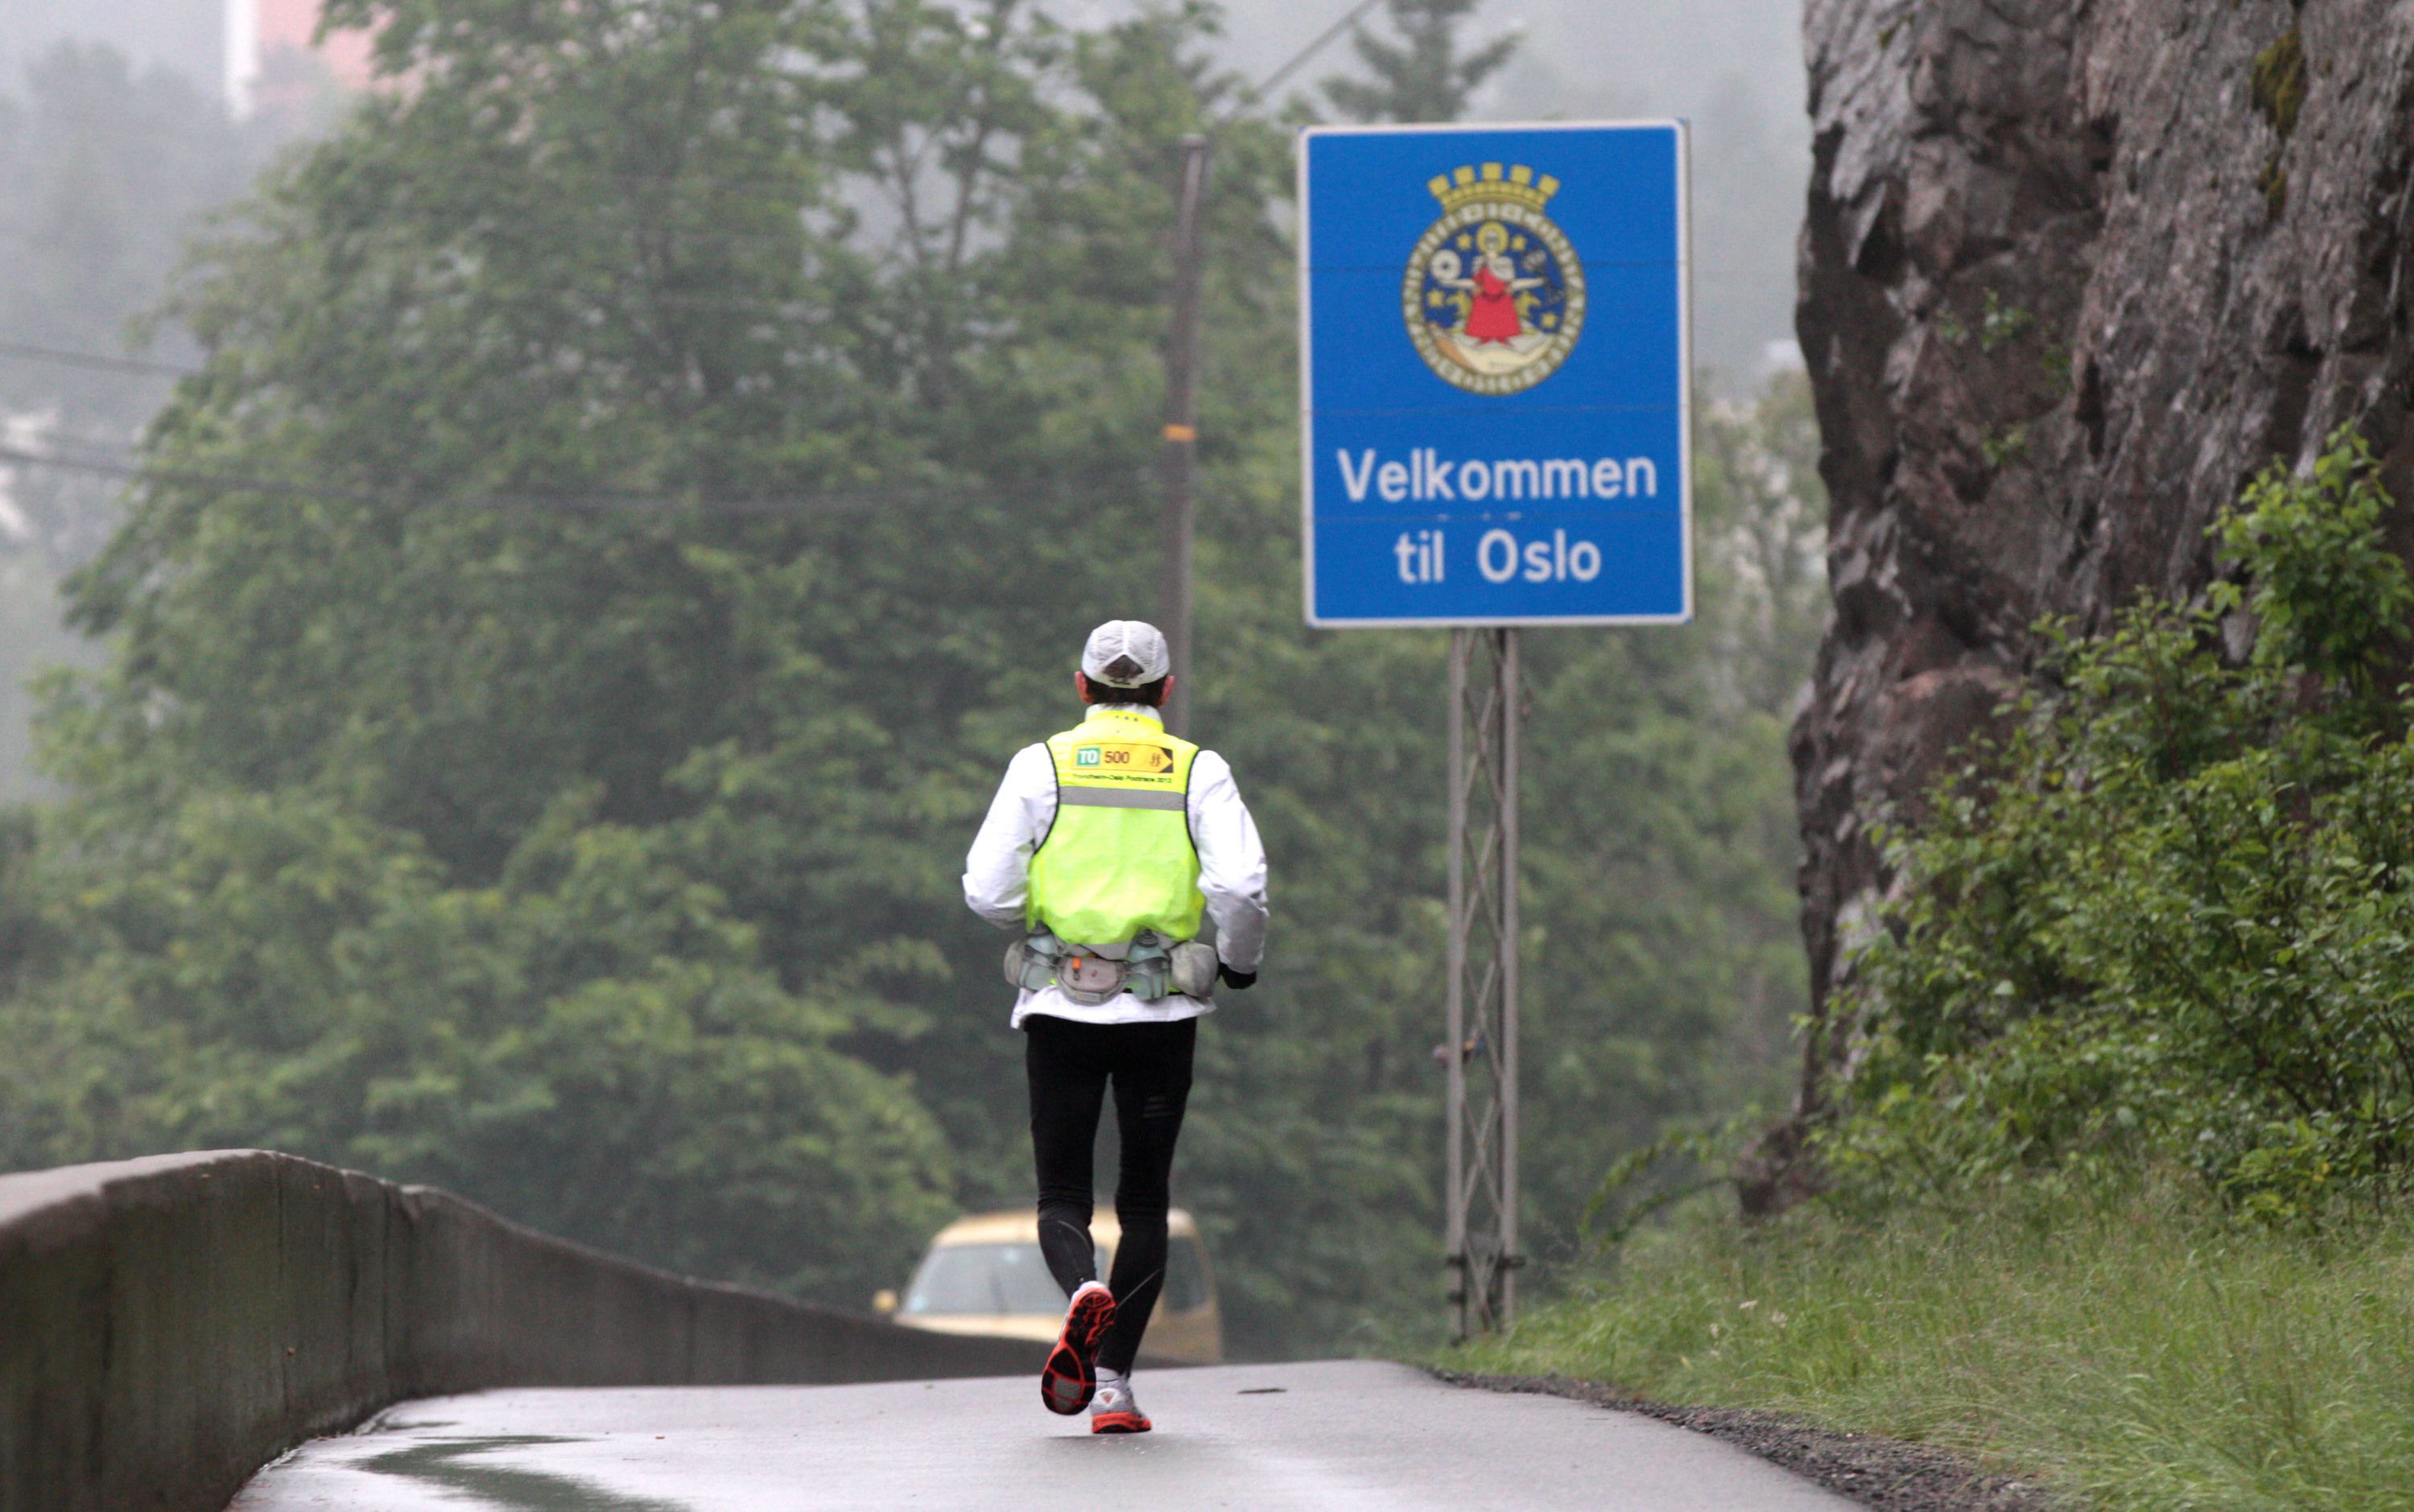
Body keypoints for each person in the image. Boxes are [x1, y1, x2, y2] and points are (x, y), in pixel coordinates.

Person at [962, 620, 1269, 1436]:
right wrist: (1238, 963)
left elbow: (987, 891)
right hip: (1161, 1013)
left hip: (1061, 1006)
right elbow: (1240, 888)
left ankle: (1081, 1290)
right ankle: (1112, 1389)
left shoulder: (1041, 764)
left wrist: (1033, 914)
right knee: (1143, 1200)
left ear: (1081, 686)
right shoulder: (1198, 770)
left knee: (1063, 1192)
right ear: (1164, 690)